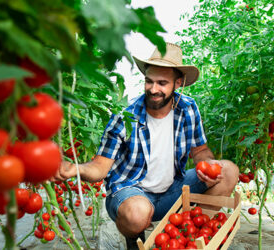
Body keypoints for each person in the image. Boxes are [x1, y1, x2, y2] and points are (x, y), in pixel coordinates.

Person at [54, 42, 239, 249]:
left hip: (173, 189)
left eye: (162, 83)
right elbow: (99, 167)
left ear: (178, 83)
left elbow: (201, 151)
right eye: (149, 81)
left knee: (229, 171)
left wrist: (207, 166)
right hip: (131, 195)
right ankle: (134, 239)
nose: (153, 89)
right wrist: (74, 169)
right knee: (137, 214)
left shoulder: (187, 108)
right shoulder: (125, 117)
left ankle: (189, 234)